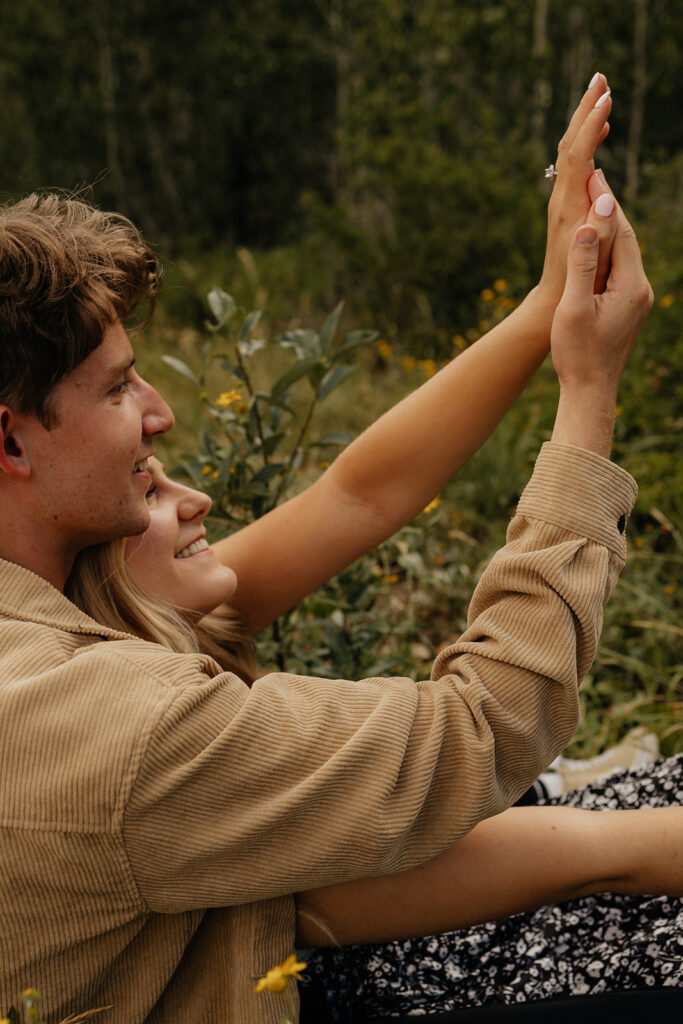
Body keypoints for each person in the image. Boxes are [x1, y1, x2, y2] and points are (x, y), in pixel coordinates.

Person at [0, 75, 655, 1023]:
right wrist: (588, 392)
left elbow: (356, 493)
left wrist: (547, 303)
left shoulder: (87, 599)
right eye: (115, 390)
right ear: (11, 441)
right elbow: (484, 729)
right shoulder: (101, 720)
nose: (161, 416)